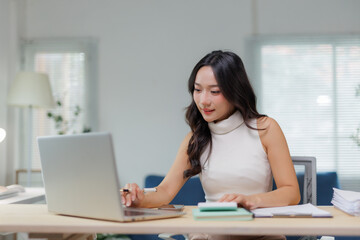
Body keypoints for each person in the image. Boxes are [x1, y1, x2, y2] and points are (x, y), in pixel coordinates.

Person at [121, 50, 300, 240]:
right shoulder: (196, 138)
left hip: (260, 234)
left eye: (214, 91)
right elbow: (165, 191)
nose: (203, 101)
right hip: (211, 234)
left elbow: (291, 192)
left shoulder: (265, 128)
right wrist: (138, 198)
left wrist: (250, 200)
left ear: (235, 91)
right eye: (198, 90)